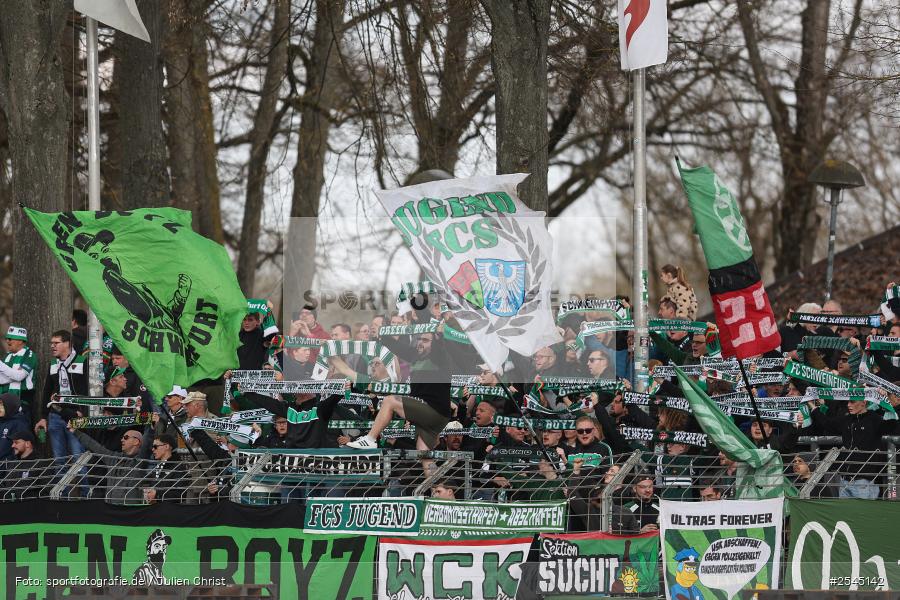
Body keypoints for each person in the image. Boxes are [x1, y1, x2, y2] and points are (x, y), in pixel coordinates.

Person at [346, 329, 454, 451]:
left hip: (434, 410)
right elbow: (398, 347)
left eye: (425, 340)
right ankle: (436, 466)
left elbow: (440, 349)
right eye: (419, 339)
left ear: (434, 343)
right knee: (423, 452)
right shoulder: (416, 356)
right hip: (431, 413)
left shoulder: (441, 358)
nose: (420, 342)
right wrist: (381, 336)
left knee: (390, 401)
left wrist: (439, 336)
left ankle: (370, 439)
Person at [35, 330, 88, 460]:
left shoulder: (82, 361)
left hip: (75, 416)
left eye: (56, 343)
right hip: (56, 415)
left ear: (67, 343)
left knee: (78, 457)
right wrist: (43, 417)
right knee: (59, 459)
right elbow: (47, 390)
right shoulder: (53, 363)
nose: (52, 346)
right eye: (51, 343)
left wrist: (83, 412)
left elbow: (88, 390)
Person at [71, 422, 155, 504]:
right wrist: (75, 432)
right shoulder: (114, 458)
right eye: (122, 437)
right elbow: (95, 446)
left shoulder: (140, 460)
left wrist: (151, 428)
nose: (122, 440)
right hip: (110, 508)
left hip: (128, 510)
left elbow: (147, 443)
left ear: (136, 441)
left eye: (126, 437)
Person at [0, 326, 38, 420]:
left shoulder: (29, 355)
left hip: (22, 402)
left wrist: (1, 366)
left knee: (19, 427)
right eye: (6, 338)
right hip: (4, 404)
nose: (7, 341)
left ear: (20, 341)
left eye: (10, 339)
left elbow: (19, 376)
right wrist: (14, 375)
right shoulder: (7, 356)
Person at [142, 434, 187, 503]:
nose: (153, 449)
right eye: (152, 447)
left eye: (155, 446)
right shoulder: (157, 467)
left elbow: (180, 494)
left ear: (166, 446)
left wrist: (157, 494)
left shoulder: (179, 467)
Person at [0, 393, 30, 460]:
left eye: (1, 404)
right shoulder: (1, 421)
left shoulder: (20, 423)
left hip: (8, 464)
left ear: (10, 405)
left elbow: (21, 448)